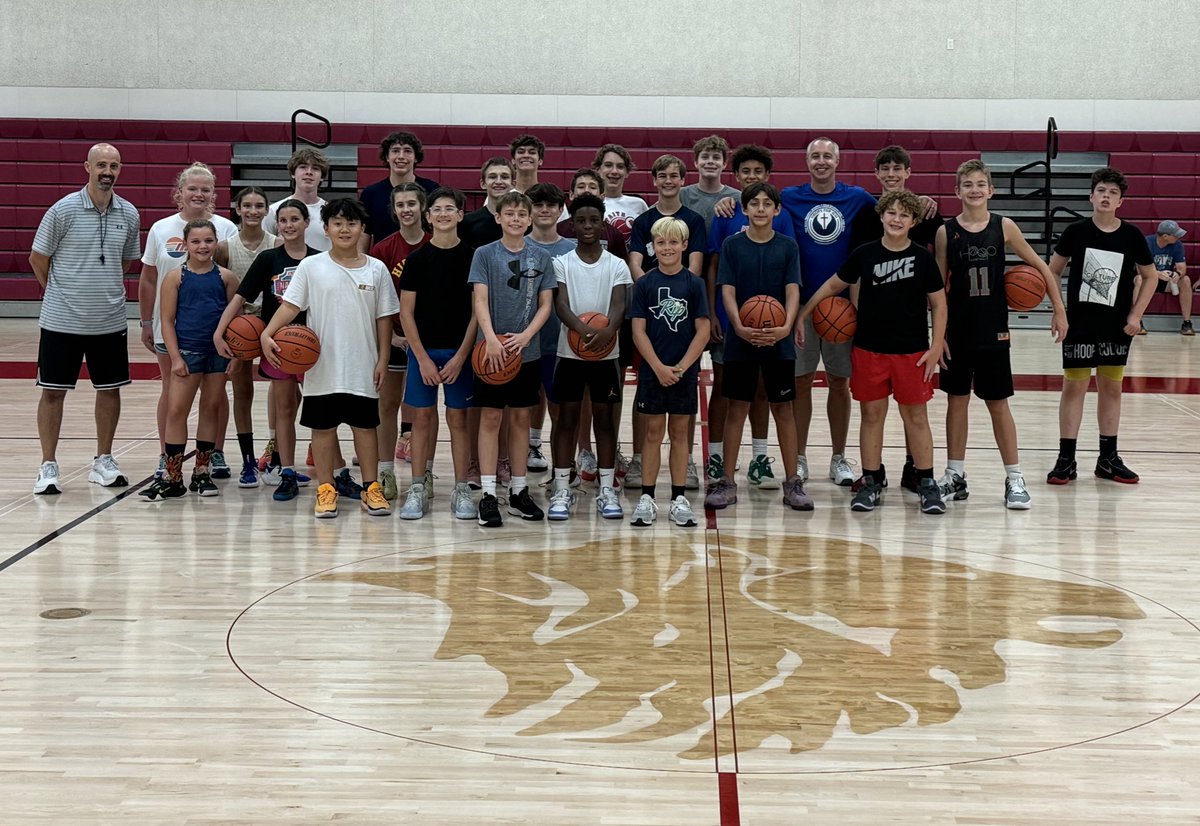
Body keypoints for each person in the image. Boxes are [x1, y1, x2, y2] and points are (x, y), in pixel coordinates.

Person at [800, 190, 948, 514]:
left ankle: (926, 481)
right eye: (891, 213)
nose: (897, 219)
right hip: (869, 350)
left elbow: (938, 303)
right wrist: (803, 313)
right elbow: (832, 286)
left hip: (912, 352)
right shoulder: (864, 253)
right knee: (871, 416)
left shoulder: (922, 257)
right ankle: (871, 480)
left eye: (904, 215)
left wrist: (936, 345)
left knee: (916, 418)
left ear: (914, 221)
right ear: (881, 216)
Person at [934, 160, 1067, 509]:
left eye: (981, 184)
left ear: (991, 190)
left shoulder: (1003, 226)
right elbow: (938, 289)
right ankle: (955, 475)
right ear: (957, 191)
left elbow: (1040, 267)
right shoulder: (946, 232)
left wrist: (1059, 309)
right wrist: (938, 335)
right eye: (967, 184)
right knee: (956, 401)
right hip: (957, 330)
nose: (974, 190)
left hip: (993, 330)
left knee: (998, 403)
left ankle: (1014, 478)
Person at [261, 198, 399, 518]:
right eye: (337, 223)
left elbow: (384, 319)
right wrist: (268, 332)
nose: (344, 229)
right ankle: (326, 488)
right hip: (322, 366)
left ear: (362, 228)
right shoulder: (312, 266)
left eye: (351, 223)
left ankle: (371, 488)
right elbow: (291, 306)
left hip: (362, 364)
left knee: (365, 428)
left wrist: (382, 359)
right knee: (323, 429)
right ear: (326, 229)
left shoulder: (376, 269)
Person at [29, 143, 141, 495]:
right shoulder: (62, 210)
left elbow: (125, 263)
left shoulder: (129, 213)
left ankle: (103, 461)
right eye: (101, 165)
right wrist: (60, 293)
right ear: (87, 167)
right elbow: (38, 258)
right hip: (61, 321)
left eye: (114, 166)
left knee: (109, 390)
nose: (108, 172)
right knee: (53, 392)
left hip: (109, 321)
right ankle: (48, 465)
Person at [1047, 167, 1159, 485]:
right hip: (1079, 324)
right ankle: (1066, 459)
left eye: (1113, 192)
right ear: (1091, 196)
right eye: (1101, 191)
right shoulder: (1076, 231)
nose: (1106, 196)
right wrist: (1059, 311)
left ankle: (1108, 459)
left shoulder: (1131, 235)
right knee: (1074, 388)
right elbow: (1052, 271)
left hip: (1116, 326)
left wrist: (1136, 315)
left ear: (1120, 201)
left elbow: (1150, 276)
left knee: (1111, 388)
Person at [704, 183, 809, 511]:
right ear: (744, 209)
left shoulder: (787, 246)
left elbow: (792, 290)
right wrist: (737, 326)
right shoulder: (732, 245)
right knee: (737, 408)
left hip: (779, 338)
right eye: (754, 204)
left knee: (783, 409)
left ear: (777, 210)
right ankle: (727, 481)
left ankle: (792, 482)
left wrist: (786, 326)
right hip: (741, 338)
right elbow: (727, 290)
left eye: (767, 204)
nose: (760, 209)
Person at [780, 137, 876, 488]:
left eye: (827, 156)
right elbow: (753, 204)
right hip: (801, 308)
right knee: (800, 382)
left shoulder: (858, 198)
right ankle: (800, 456)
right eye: (815, 156)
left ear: (838, 161)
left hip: (842, 310)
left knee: (839, 383)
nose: (821, 162)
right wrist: (728, 202)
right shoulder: (789, 197)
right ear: (807, 162)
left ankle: (838, 457)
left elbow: (895, 208)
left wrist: (924, 201)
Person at [138, 162, 238, 479]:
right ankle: (166, 456)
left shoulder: (226, 229)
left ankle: (215, 453)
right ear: (179, 192)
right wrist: (145, 321)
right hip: (173, 330)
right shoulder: (161, 228)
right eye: (192, 188)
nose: (198, 194)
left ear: (213, 193)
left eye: (205, 189)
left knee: (216, 396)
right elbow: (148, 279)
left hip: (214, 332)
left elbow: (231, 283)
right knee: (171, 391)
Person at [215, 200, 317, 502]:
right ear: (277, 225)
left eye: (295, 219)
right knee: (284, 409)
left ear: (306, 222)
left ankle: (330, 472)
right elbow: (240, 298)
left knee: (317, 411)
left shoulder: (318, 260)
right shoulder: (268, 259)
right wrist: (220, 331)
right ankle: (285, 470)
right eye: (283, 220)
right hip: (277, 346)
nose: (289, 225)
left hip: (311, 346)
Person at [469, 190, 556, 527]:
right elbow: (479, 299)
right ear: (498, 217)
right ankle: (489, 494)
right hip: (490, 352)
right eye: (510, 214)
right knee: (491, 418)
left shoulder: (541, 257)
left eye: (522, 214)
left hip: (525, 352)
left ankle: (519, 491)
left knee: (521, 419)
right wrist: (490, 338)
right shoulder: (484, 254)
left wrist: (527, 335)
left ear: (530, 219)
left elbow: (546, 304)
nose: (516, 219)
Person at [547, 193, 632, 521]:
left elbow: (620, 304)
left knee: (605, 422)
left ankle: (607, 488)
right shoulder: (562, 262)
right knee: (566, 421)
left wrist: (608, 331)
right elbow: (560, 303)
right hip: (569, 353)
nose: (587, 226)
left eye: (593, 220)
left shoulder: (616, 264)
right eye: (581, 221)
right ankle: (562, 488)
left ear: (603, 224)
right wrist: (583, 330)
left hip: (607, 355)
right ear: (572, 224)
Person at [625, 154, 708, 490]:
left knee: (679, 428)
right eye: (663, 175)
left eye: (675, 175)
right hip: (653, 353)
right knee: (652, 426)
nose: (669, 180)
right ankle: (643, 475)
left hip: (683, 357)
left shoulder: (694, 225)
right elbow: (635, 263)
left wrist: (679, 284)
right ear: (655, 179)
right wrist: (652, 284)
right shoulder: (644, 223)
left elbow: (702, 325)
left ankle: (682, 478)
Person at [397, 187, 479, 521]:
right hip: (424, 353)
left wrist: (461, 356)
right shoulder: (416, 260)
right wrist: (422, 358)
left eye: (449, 208)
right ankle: (417, 487)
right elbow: (406, 314)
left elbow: (478, 313)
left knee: (459, 420)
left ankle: (461, 489)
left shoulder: (474, 257)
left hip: (461, 353)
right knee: (422, 419)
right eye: (437, 209)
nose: (443, 214)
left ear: (460, 215)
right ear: (428, 217)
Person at [628, 217, 710, 527]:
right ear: (653, 247)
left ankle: (678, 498)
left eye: (673, 242)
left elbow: (703, 331)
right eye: (661, 243)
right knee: (652, 433)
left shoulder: (694, 283)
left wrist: (681, 367)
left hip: (683, 372)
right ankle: (647, 497)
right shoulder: (645, 284)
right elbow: (638, 331)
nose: (667, 248)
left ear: (685, 245)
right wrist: (658, 367)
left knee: (679, 433)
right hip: (653, 371)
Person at [368, 183, 431, 499]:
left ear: (422, 207)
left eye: (411, 203)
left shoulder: (436, 244)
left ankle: (425, 471)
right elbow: (373, 301)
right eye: (400, 205)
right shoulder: (382, 250)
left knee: (424, 410)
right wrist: (391, 336)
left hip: (429, 340)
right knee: (387, 405)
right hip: (393, 338)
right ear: (394, 210)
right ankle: (385, 472)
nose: (406, 209)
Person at [214, 185, 274, 487]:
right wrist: (228, 328)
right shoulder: (225, 247)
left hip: (274, 324)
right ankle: (248, 461)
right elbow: (221, 290)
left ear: (266, 210)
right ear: (237, 209)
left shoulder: (276, 244)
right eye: (247, 205)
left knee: (286, 392)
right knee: (242, 392)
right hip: (240, 325)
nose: (253, 211)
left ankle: (276, 453)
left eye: (259, 206)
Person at [524, 182, 577, 476]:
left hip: (561, 343)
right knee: (521, 408)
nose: (544, 210)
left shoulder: (572, 250)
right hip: (523, 342)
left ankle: (563, 470)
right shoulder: (516, 245)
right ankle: (526, 452)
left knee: (560, 409)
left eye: (551, 205)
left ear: (560, 210)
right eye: (538, 205)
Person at [849, 145, 942, 250]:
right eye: (885, 169)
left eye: (897, 169)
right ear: (877, 173)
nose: (891, 174)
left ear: (907, 172)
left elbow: (942, 250)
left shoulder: (924, 209)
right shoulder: (866, 211)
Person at [359, 130, 439, 246]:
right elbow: (364, 235)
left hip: (424, 256)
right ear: (387, 157)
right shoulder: (370, 194)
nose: (401, 156)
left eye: (407, 151)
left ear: (416, 157)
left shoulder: (432, 190)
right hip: (383, 257)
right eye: (395, 151)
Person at [263, 148, 332, 252]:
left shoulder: (331, 211)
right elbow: (265, 247)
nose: (309, 172)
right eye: (303, 167)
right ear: (293, 173)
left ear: (322, 177)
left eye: (315, 168)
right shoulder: (274, 210)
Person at [679, 134, 739, 234]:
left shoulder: (737, 197)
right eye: (705, 157)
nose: (710, 161)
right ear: (696, 162)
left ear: (724, 164)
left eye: (716, 157)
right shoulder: (681, 195)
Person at [1142, 220, 1193, 335]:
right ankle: (1138, 321)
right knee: (1139, 280)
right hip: (1148, 280)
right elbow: (1140, 268)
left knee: (1185, 280)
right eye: (1176, 235)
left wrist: (1177, 274)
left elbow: (1181, 267)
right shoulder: (1146, 243)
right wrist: (1157, 273)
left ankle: (1187, 323)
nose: (1178, 237)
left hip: (1166, 281)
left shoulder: (1177, 245)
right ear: (1165, 236)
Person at [592, 144, 647, 243]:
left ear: (627, 172)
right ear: (598, 169)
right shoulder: (589, 204)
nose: (614, 171)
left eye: (620, 167)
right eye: (608, 165)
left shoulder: (639, 204)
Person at [461, 157, 516, 248]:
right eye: (492, 177)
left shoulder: (523, 223)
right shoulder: (467, 223)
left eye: (504, 177)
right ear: (483, 184)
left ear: (513, 184)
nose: (498, 181)